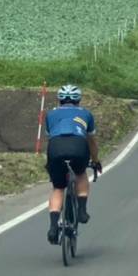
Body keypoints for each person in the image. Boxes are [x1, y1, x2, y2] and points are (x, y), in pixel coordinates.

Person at [44, 83, 101, 244]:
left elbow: (50, 138)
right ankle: (82, 211)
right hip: (78, 145)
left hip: (55, 148)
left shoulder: (51, 114)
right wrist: (95, 161)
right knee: (81, 173)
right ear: (79, 100)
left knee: (58, 188)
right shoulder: (86, 114)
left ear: (59, 100)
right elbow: (91, 142)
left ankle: (53, 226)